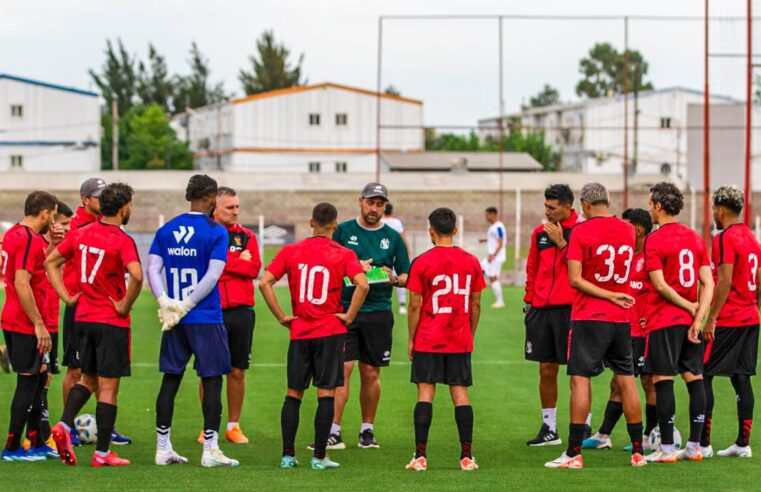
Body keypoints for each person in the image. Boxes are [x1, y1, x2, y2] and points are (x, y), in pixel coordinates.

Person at [259, 202, 369, 470]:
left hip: (300, 332)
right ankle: (319, 457)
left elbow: (264, 283)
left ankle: (287, 456)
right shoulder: (343, 253)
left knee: (293, 394)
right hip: (330, 331)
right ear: (335, 225)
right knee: (326, 394)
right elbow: (363, 284)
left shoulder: (291, 251)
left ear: (311, 223)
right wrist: (350, 315)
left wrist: (281, 316)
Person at [545, 182, 646, 469]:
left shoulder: (581, 231)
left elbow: (576, 279)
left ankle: (574, 453)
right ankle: (638, 452)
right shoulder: (627, 230)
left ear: (585, 205)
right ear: (608, 201)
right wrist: (616, 293)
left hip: (590, 315)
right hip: (621, 318)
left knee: (579, 379)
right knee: (626, 380)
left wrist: (609, 293)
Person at [47, 183, 142, 467]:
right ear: (124, 208)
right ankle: (102, 453)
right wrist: (125, 305)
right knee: (108, 387)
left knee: (87, 379)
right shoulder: (122, 240)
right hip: (110, 321)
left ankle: (63, 425)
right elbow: (136, 276)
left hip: (83, 317)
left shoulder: (81, 234)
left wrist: (66, 296)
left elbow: (51, 262)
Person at [147, 174, 238, 467]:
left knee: (170, 379)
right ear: (212, 197)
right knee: (211, 380)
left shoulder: (166, 229)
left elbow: (153, 269)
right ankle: (210, 450)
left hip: (174, 318)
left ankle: (163, 448)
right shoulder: (217, 231)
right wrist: (186, 305)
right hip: (205, 316)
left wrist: (166, 304)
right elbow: (212, 276)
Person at [327, 182, 410, 450]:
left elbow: (406, 275)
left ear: (385, 206)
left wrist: (393, 277)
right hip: (347, 312)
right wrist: (353, 268)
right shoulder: (343, 231)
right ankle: (334, 431)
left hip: (378, 312)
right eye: (370, 202)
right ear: (360, 201)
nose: (375, 208)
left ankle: (367, 430)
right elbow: (328, 267)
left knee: (371, 373)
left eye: (380, 204)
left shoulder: (393, 237)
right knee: (344, 369)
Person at [404, 207, 486, 472]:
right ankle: (466, 457)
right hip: (459, 338)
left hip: (428, 337)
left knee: (425, 393)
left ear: (430, 231)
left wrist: (411, 339)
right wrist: (469, 334)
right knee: (460, 394)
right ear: (455, 230)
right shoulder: (471, 261)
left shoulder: (421, 262)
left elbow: (414, 307)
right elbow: (475, 304)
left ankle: (420, 456)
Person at [643, 182, 714, 463]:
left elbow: (659, 286)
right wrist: (698, 317)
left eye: (650, 203)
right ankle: (695, 446)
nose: (649, 207)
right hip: (689, 322)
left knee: (663, 379)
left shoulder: (654, 239)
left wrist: (687, 306)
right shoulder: (695, 238)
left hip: (664, 320)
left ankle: (668, 449)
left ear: (659, 206)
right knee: (694, 378)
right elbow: (707, 282)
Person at [583, 208, 658, 450]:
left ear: (637, 231)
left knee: (647, 381)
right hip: (625, 329)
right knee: (618, 383)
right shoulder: (625, 256)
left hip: (644, 332)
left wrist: (651, 316)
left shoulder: (650, 257)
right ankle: (604, 435)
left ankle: (649, 436)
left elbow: (664, 290)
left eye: (626, 226)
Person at [700, 185, 761, 458]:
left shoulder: (724, 238)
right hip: (750, 318)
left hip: (729, 319)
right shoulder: (752, 238)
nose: (713, 213)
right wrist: (755, 306)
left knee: (703, 374)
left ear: (721, 210)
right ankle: (743, 443)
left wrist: (711, 318)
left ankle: (703, 443)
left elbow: (723, 281)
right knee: (741, 377)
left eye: (714, 208)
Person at [197, 186, 261, 445]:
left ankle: (233, 426)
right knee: (208, 372)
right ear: (215, 208)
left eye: (237, 207)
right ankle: (207, 426)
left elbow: (254, 268)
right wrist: (236, 261)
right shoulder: (202, 235)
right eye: (230, 207)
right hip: (210, 311)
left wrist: (223, 262)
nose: (236, 211)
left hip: (241, 313)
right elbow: (206, 270)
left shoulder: (246, 237)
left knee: (237, 371)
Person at [524, 184, 587, 446]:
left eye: (552, 207)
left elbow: (582, 270)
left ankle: (582, 426)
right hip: (541, 310)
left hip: (570, 309)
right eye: (546, 206)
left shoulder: (581, 232)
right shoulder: (539, 233)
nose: (547, 211)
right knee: (546, 369)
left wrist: (562, 243)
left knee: (578, 370)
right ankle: (549, 428)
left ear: (567, 207)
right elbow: (532, 269)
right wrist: (529, 301)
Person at [1, 191, 58, 462]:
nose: (54, 221)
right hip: (23, 322)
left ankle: (35, 442)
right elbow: (22, 281)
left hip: (17, 317)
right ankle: (11, 448)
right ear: (45, 213)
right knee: (27, 381)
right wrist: (39, 324)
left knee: (39, 378)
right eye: (54, 215)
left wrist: (51, 245)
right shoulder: (25, 239)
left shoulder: (18, 234)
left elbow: (33, 268)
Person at [34, 201, 73, 451]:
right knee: (39, 378)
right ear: (52, 222)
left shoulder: (56, 248)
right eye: (65, 224)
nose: (68, 229)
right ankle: (36, 435)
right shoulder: (39, 244)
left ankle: (41, 433)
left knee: (45, 377)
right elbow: (37, 270)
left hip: (51, 322)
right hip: (40, 323)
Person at [382, 202, 412, 315]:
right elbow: (403, 237)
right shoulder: (396, 222)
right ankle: (402, 305)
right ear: (392, 211)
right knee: (400, 278)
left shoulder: (381, 222)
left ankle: (384, 303)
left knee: (380, 278)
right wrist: (408, 251)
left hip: (383, 254)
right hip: (395, 254)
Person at [480, 207, 506, 308]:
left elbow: (500, 242)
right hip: (491, 256)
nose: (485, 217)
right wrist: (485, 240)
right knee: (479, 269)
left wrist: (493, 255)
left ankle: (500, 301)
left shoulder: (499, 226)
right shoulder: (493, 227)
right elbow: (494, 240)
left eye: (487, 215)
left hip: (495, 257)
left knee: (493, 278)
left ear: (493, 214)